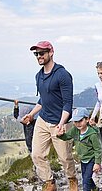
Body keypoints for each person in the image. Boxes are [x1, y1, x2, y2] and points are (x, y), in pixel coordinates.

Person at [23, 41, 78, 191]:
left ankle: (72, 179)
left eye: (41, 53)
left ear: (51, 52)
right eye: (36, 54)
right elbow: (43, 99)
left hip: (60, 122)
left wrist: (61, 123)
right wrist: (32, 114)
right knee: (37, 154)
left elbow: (67, 103)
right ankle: (49, 182)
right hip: (43, 120)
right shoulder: (38, 76)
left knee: (65, 158)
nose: (38, 56)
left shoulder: (62, 75)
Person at [57, 107, 102, 191]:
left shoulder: (92, 134)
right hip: (83, 159)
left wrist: (97, 163)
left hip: (91, 159)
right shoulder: (75, 130)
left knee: (85, 181)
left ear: (87, 119)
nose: (78, 124)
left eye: (80, 121)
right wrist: (60, 135)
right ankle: (95, 188)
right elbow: (67, 137)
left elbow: (98, 149)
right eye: (75, 121)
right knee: (85, 177)